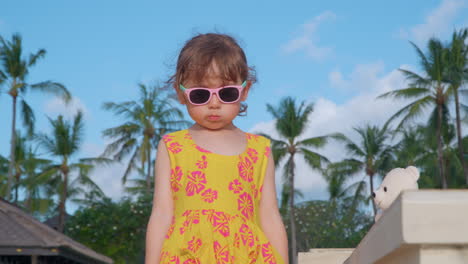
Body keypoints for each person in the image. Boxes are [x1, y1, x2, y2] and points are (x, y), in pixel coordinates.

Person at [145, 33, 289, 264]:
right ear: (181, 93)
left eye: (227, 92)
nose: (214, 103)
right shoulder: (172, 146)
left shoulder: (259, 150)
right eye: (200, 94)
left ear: (244, 90)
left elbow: (270, 215)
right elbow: (161, 214)